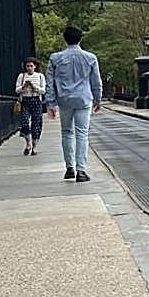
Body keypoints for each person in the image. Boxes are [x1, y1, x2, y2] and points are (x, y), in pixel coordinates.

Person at [45, 25, 103, 183]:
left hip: (64, 99)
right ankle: (81, 170)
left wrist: (50, 103)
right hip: (84, 98)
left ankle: (69, 167)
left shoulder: (55, 58)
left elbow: (49, 83)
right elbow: (96, 81)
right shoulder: (90, 57)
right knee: (82, 133)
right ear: (80, 38)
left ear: (65, 39)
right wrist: (98, 98)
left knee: (66, 132)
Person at [15, 57, 46, 156]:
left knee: (36, 124)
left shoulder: (40, 76)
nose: (29, 68)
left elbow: (43, 90)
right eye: (27, 66)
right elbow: (17, 90)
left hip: (36, 100)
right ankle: (28, 143)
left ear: (35, 66)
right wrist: (23, 87)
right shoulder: (22, 76)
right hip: (25, 100)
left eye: (31, 66)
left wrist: (34, 87)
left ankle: (34, 146)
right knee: (24, 121)